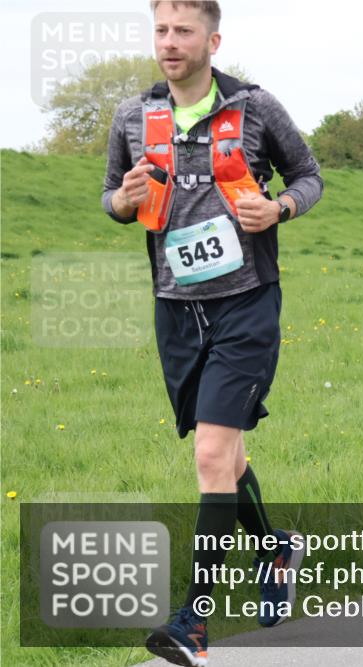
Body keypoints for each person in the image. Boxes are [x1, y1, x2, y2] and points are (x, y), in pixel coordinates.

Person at [102, 2, 324, 664]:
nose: (169, 43)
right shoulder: (133, 117)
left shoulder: (256, 109)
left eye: (183, 31)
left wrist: (277, 205)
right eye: (161, 31)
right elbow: (113, 198)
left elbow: (310, 178)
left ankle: (192, 623)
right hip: (176, 311)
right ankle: (276, 546)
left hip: (246, 305)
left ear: (212, 39)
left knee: (209, 456)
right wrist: (122, 199)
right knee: (226, 458)